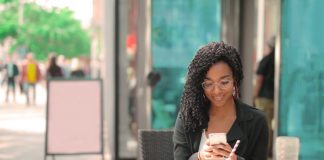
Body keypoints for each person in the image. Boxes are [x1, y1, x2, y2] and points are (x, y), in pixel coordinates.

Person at [173, 42, 269, 160]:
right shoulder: (187, 117)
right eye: (208, 84)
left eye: (224, 82)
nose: (217, 91)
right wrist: (199, 156)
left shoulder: (257, 121)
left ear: (235, 79)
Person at [253, 36, 275, 157]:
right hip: (275, 99)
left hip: (264, 98)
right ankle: (270, 150)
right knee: (272, 126)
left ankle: (264, 153)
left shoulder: (266, 60)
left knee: (263, 126)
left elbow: (259, 79)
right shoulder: (281, 61)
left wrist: (254, 95)